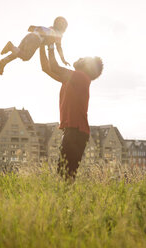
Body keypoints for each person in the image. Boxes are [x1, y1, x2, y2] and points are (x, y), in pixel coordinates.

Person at [39, 43, 103, 180]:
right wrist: (42, 44)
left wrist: (50, 44)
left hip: (76, 132)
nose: (80, 58)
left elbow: (54, 67)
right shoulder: (72, 79)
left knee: (64, 175)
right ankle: (67, 200)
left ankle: (66, 200)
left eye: (83, 59)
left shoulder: (80, 77)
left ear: (87, 67)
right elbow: (46, 68)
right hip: (73, 131)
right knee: (66, 175)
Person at [0, 17, 69, 75]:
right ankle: (10, 46)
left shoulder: (49, 28)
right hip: (36, 40)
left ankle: (2, 62)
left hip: (30, 36)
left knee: (18, 52)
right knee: (26, 56)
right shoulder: (58, 34)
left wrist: (36, 30)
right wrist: (63, 59)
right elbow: (58, 47)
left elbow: (31, 28)